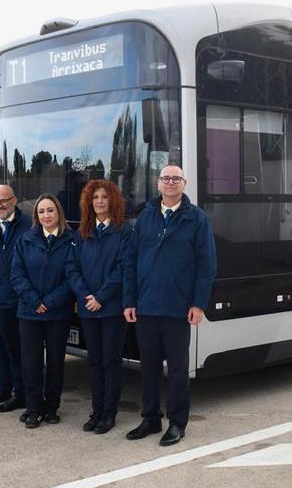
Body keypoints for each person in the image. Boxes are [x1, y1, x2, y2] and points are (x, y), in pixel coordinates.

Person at [123, 165, 216, 446]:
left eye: (176, 178)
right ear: (158, 184)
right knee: (149, 368)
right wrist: (129, 300)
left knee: (177, 370)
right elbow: (131, 261)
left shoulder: (197, 219)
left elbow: (207, 265)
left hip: (178, 307)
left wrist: (198, 304)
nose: (171, 182)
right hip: (146, 306)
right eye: (166, 178)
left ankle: (177, 423)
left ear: (184, 183)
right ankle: (150, 418)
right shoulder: (146, 217)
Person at [67, 179, 132, 434]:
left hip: (112, 308)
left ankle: (109, 413)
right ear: (89, 202)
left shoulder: (123, 231)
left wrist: (101, 297)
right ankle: (97, 410)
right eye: (95, 197)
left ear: (112, 200)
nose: (100, 201)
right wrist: (86, 296)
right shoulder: (82, 232)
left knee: (110, 361)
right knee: (94, 361)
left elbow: (123, 267)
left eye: (104, 197)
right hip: (88, 308)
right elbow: (72, 268)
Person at [11, 194, 78, 428]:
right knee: (31, 363)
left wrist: (49, 301)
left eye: (50, 210)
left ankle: (52, 407)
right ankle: (34, 408)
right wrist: (33, 300)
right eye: (41, 211)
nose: (46, 215)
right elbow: (16, 275)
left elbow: (72, 277)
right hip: (29, 313)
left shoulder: (72, 240)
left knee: (56, 363)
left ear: (59, 212)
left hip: (57, 313)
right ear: (36, 216)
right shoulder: (25, 239)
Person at [0, 184, 32, 411]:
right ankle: (13, 391)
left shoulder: (29, 225)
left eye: (3, 201)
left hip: (23, 300)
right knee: (8, 350)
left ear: (14, 200)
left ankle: (26, 395)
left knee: (24, 352)